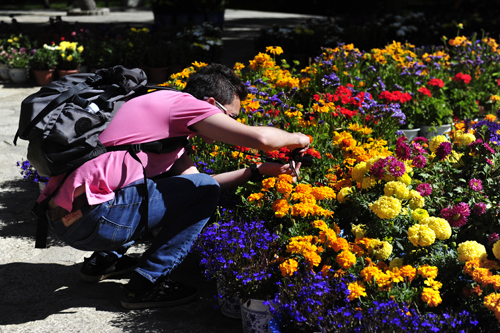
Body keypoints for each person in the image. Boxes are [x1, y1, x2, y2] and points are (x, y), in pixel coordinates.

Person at [39, 63, 310, 310]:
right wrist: (298, 138)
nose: (233, 124)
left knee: (190, 188)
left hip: (64, 222)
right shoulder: (182, 104)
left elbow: (197, 186)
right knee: (197, 189)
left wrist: (256, 171)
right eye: (232, 116)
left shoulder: (163, 123)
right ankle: (144, 286)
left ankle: (103, 262)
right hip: (96, 219)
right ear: (212, 104)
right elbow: (262, 138)